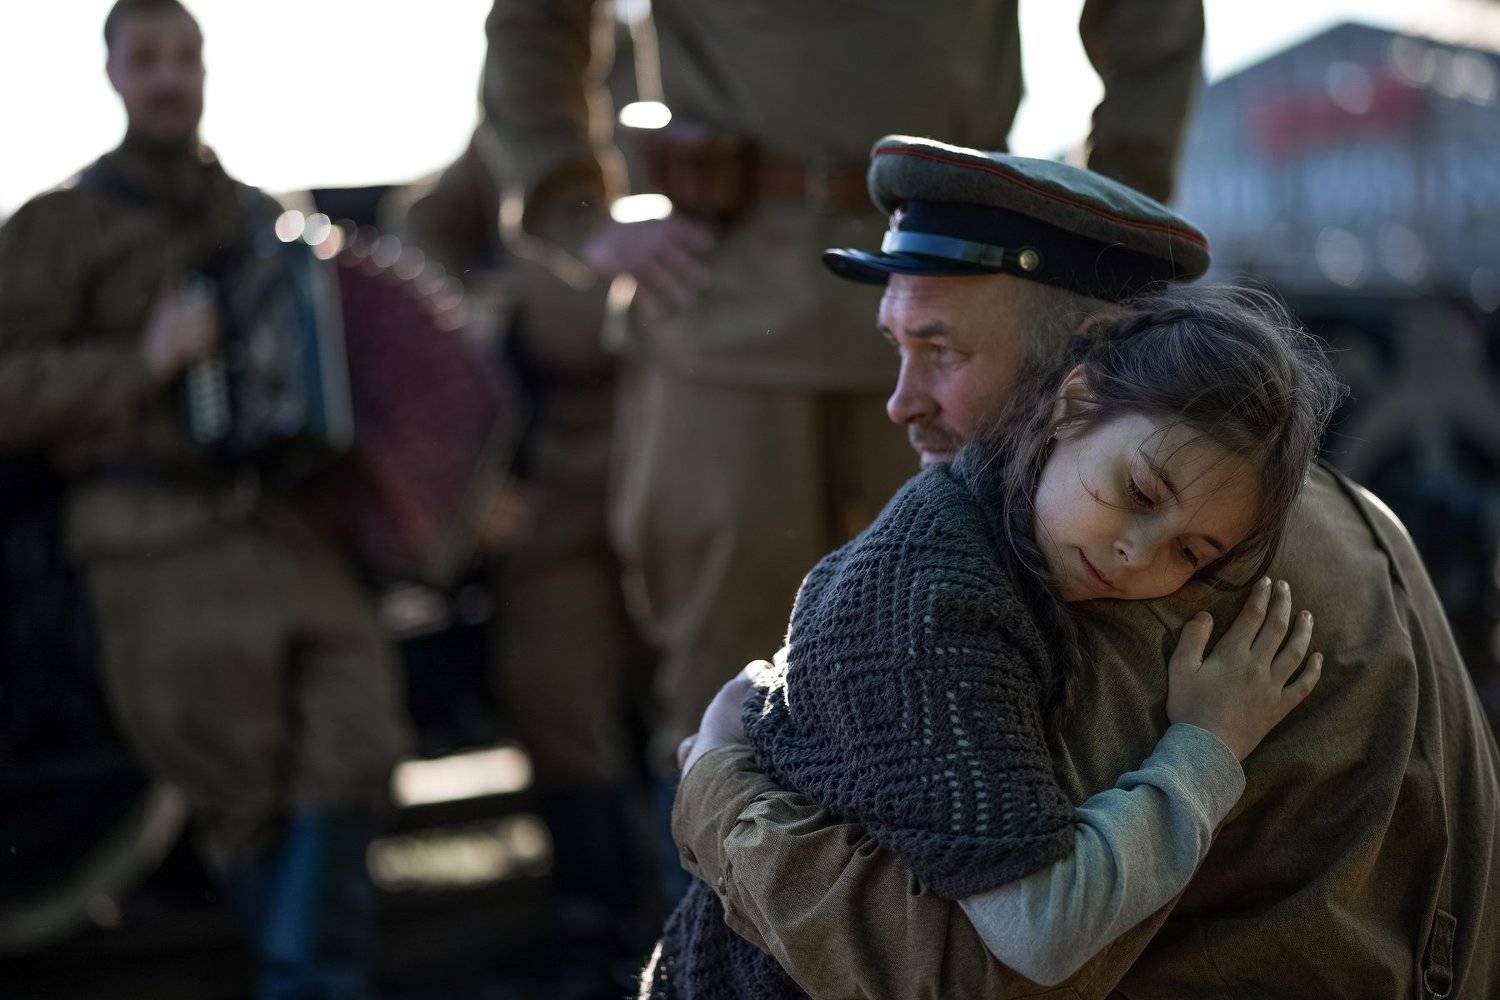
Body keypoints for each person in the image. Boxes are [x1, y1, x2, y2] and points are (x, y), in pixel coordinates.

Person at [670, 137, 1500, 997]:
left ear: (1084, 364)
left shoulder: (1104, 591)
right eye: (898, 347)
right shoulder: (1332, 505)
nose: (901, 402)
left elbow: (987, 975)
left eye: (943, 351)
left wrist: (720, 796)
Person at [475, 3, 1208, 836]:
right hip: (723, 309)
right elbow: (535, 20)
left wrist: (1106, 219)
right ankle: (711, 918)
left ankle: (979, 909)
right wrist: (575, 208)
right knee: (722, 699)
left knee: (974, 668)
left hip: (970, 296)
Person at [648, 285, 1339, 997]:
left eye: (1190, 553)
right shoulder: (936, 604)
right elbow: (1041, 929)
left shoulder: (1007, 543)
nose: (1139, 554)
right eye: (1138, 492)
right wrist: (1209, 744)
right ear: (1073, 405)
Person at [0, 3, 409, 996]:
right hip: (146, 534)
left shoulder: (259, 217)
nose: (168, 77)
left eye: (184, 57)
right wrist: (143, 362)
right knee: (239, 783)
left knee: (359, 733)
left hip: (276, 523)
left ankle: (311, 979)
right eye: (146, 59)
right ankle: (311, 981)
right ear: (112, 73)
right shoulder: (58, 226)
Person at [395, 135, 658, 990]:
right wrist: (484, 313)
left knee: (702, 689)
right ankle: (602, 930)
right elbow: (423, 233)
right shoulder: (525, 126)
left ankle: (708, 917)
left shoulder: (697, 95)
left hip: (678, 438)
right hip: (557, 463)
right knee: (553, 694)